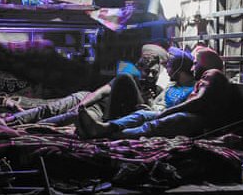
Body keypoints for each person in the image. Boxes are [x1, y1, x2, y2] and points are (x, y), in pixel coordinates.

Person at [79, 45, 231, 139]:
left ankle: (112, 134)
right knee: (143, 115)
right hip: (187, 114)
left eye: (196, 63)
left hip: (198, 120)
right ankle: (105, 127)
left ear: (206, 64)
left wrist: (167, 111)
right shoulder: (176, 84)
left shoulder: (213, 74)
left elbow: (199, 101)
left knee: (163, 121)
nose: (193, 68)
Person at [4, 43, 171, 126]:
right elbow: (101, 92)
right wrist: (81, 105)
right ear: (140, 67)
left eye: (153, 72)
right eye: (145, 70)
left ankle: (23, 127)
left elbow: (141, 113)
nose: (149, 75)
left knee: (62, 118)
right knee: (49, 108)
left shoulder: (157, 91)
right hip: (87, 98)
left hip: (98, 111)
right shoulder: (129, 78)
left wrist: (146, 101)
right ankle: (10, 120)